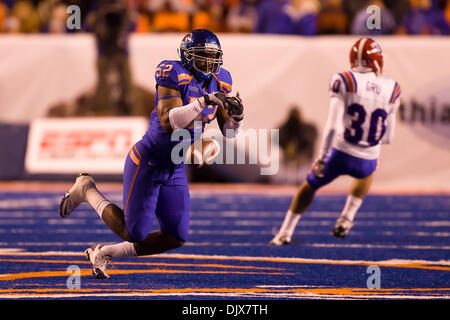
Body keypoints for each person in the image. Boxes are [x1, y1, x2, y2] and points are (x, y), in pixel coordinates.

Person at [59, 29, 244, 279]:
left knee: (175, 236)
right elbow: (170, 121)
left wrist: (237, 116)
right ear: (187, 57)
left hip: (175, 167)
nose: (208, 64)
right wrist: (204, 101)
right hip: (148, 160)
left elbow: (229, 132)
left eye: (212, 58)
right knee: (133, 232)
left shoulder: (221, 80)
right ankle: (87, 190)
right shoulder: (171, 72)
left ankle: (103, 252)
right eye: (201, 58)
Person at [270, 37, 401, 244]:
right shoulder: (392, 88)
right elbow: (388, 137)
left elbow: (332, 126)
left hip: (340, 152)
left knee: (309, 186)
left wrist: (322, 158)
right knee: (368, 172)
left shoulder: (345, 80)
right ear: (378, 61)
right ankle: (346, 219)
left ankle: (284, 233)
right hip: (367, 159)